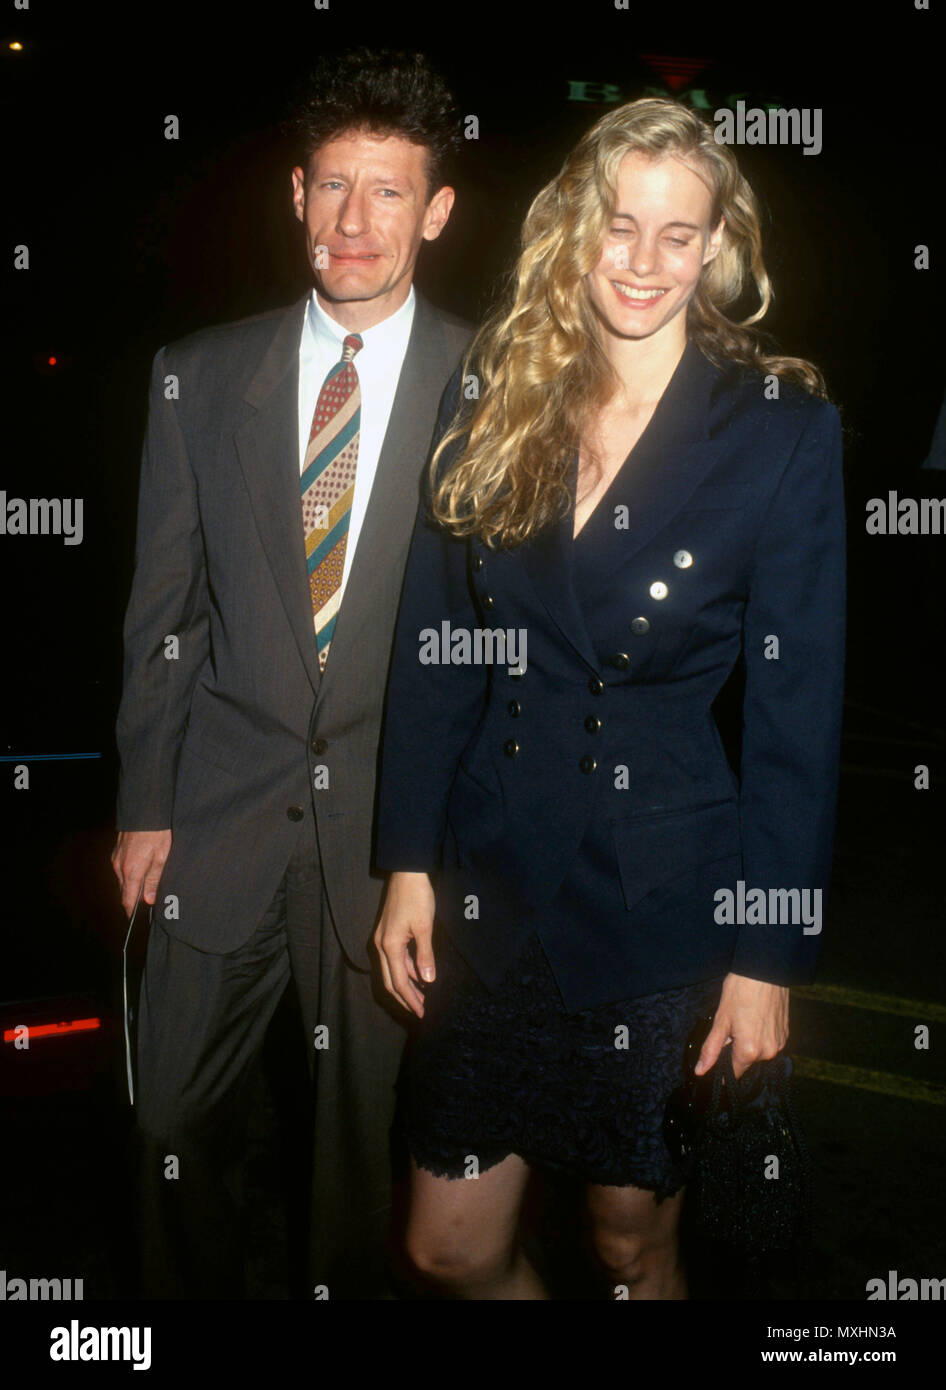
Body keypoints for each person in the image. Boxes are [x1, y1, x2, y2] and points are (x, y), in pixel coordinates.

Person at [373, 96, 846, 1300]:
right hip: (489, 884)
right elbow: (436, 637)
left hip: (658, 909)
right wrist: (408, 860)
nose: (643, 263)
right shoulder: (496, 384)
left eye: (676, 235)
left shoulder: (780, 427)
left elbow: (798, 713)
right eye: (619, 226)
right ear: (574, 229)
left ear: (716, 248)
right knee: (448, 1247)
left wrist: (768, 957)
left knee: (634, 1246)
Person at [110, 48, 472, 1299]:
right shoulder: (198, 376)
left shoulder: (490, 391)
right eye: (331, 186)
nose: (353, 221)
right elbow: (164, 608)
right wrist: (143, 799)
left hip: (391, 842)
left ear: (435, 211)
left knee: (357, 1165)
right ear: (295, 197)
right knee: (165, 1132)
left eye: (386, 192)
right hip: (215, 810)